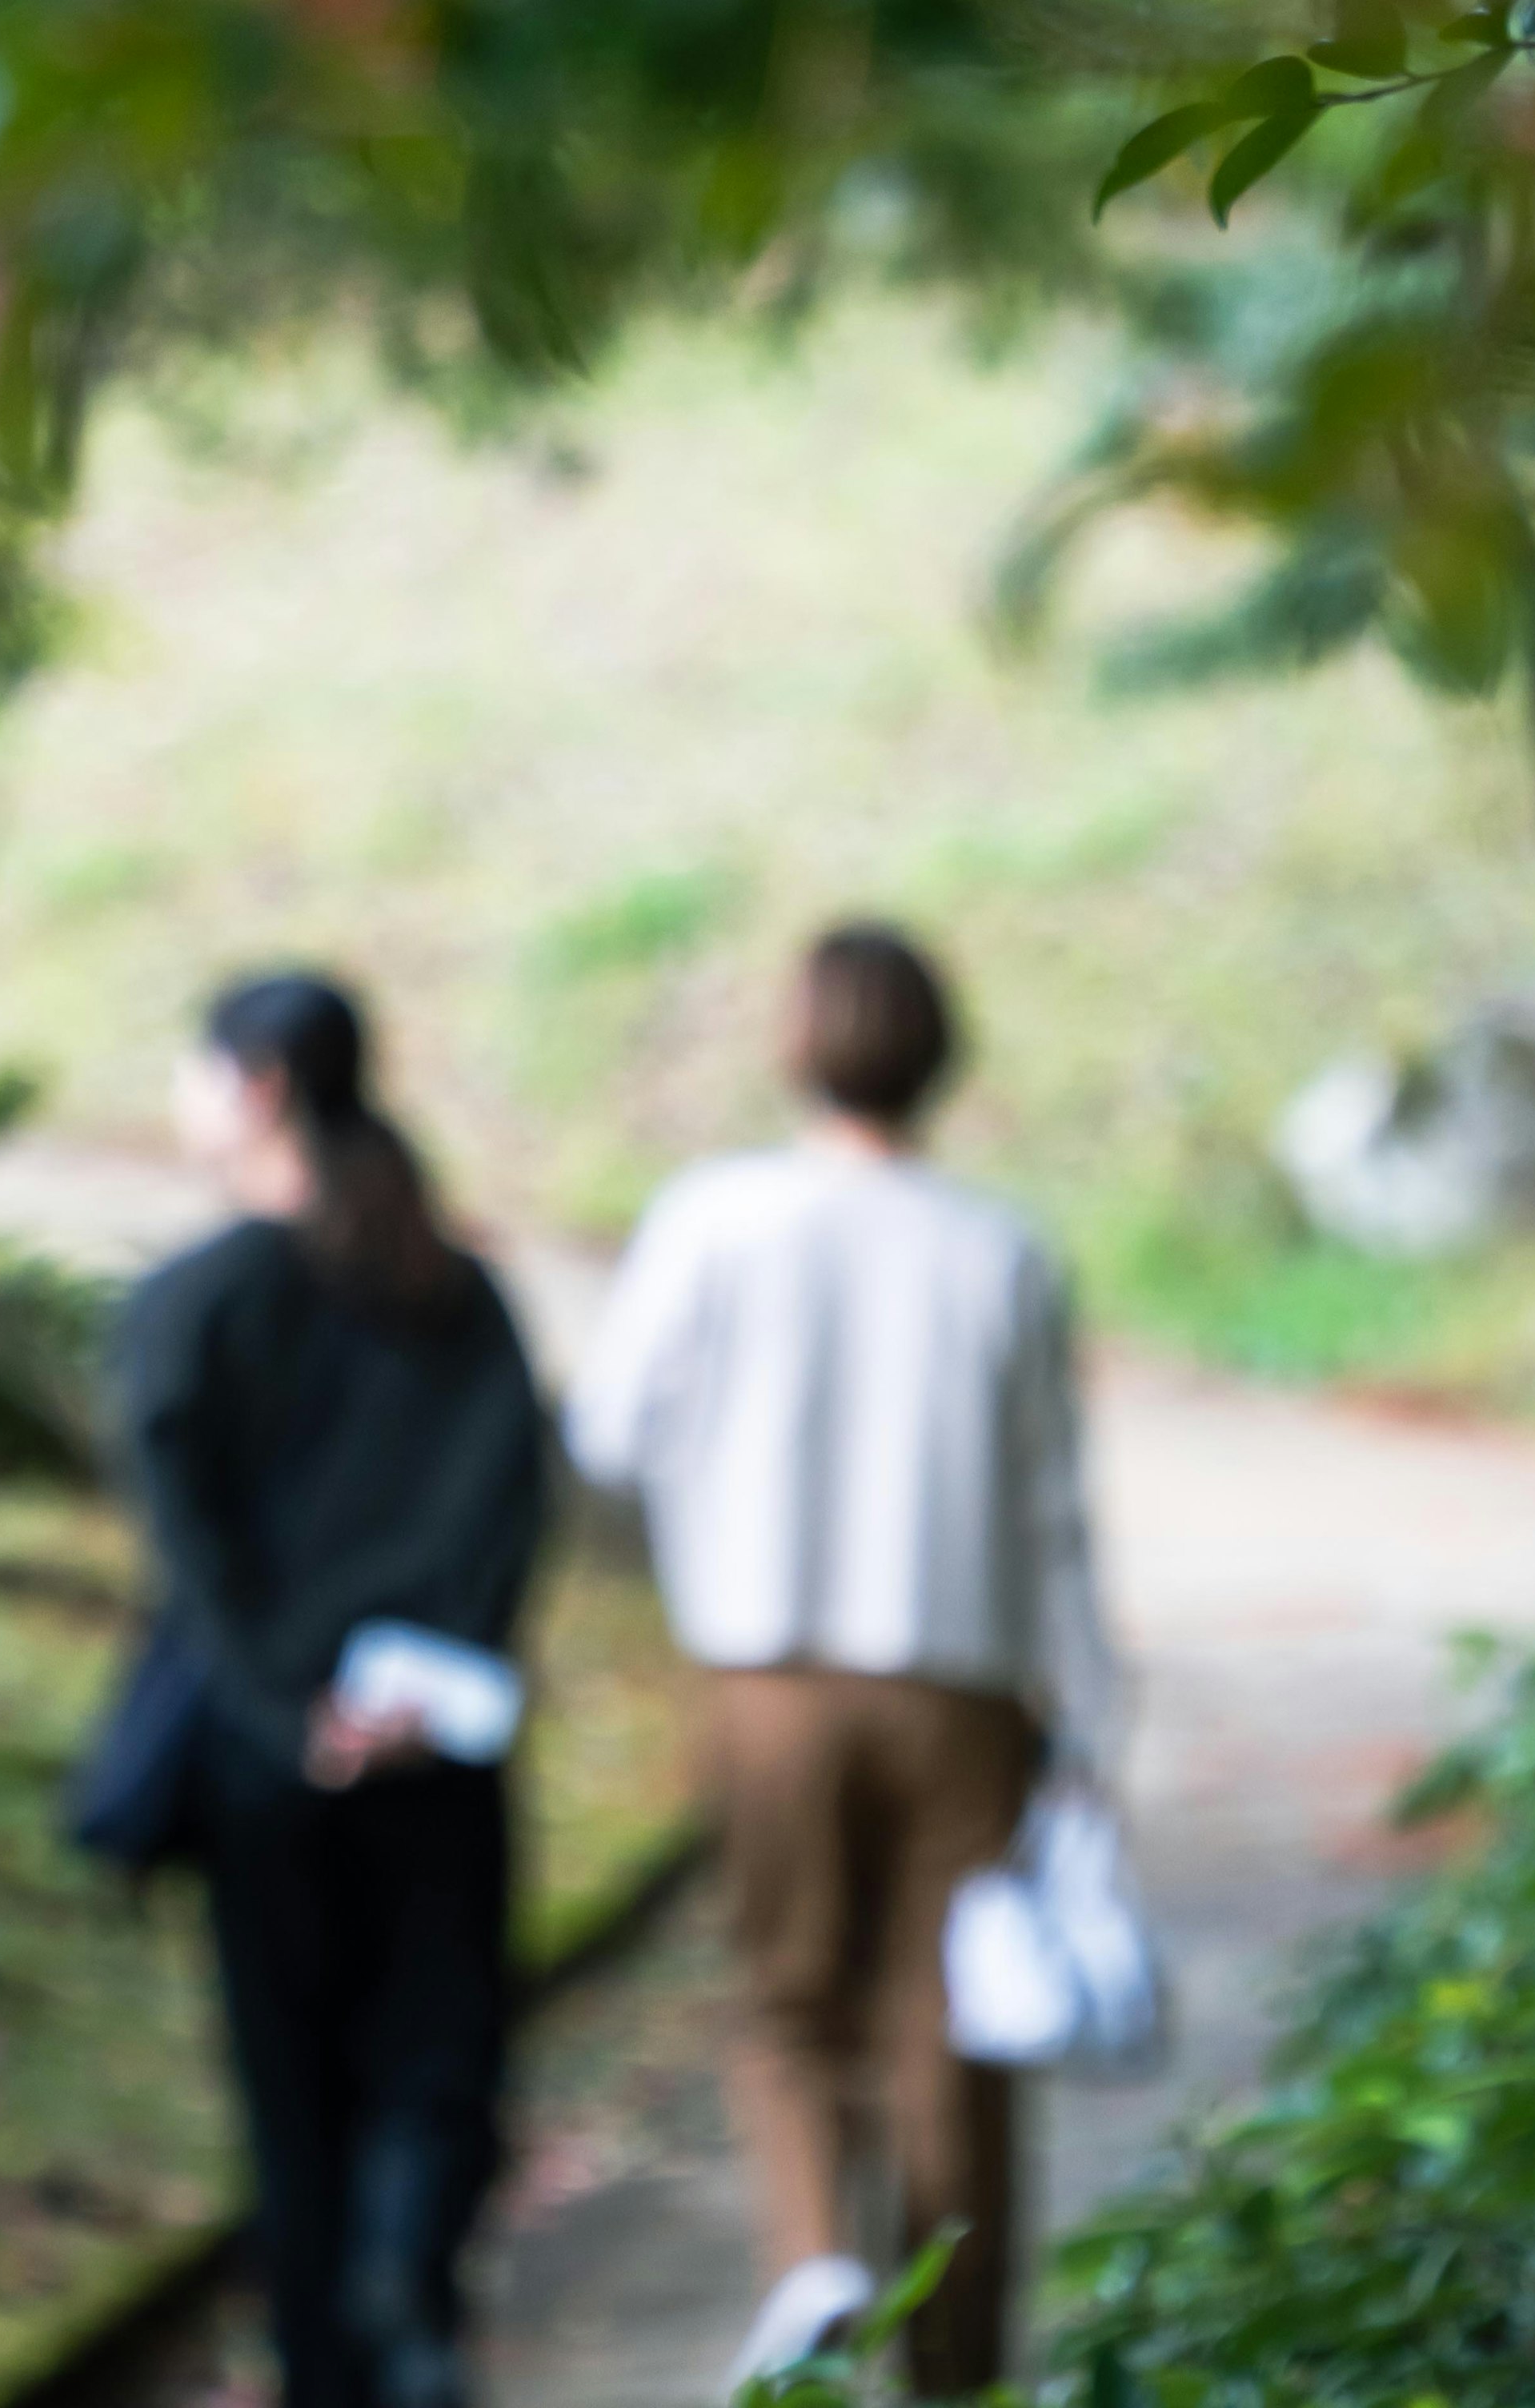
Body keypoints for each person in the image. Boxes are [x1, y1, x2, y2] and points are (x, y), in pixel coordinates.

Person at [567, 921, 1121, 2398]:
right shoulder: (1001, 1247)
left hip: (766, 1673)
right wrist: (1095, 1732)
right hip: (965, 1684)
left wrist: (719, 1491)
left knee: (787, 2000)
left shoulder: (714, 1219)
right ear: (944, 1054)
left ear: (793, 1045)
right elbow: (1055, 1511)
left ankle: (814, 2271)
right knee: (954, 2032)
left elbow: (611, 1432)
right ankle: (954, 2369)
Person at [125, 973, 549, 2408]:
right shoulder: (461, 1292)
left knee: (292, 2117)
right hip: (443, 1758)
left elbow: (191, 1561)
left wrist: (292, 1712)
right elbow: (508, 1511)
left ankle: (337, 2358)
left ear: (253, 1087)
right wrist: (428, 1686)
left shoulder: (191, 1308)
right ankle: (411, 2290)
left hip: (269, 1777)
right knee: (437, 2067)